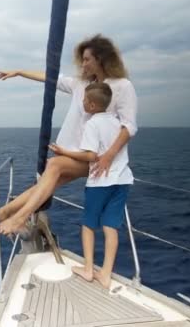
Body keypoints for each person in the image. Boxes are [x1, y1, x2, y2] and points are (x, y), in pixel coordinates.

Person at [0, 34, 138, 235]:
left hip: (98, 159)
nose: (83, 64)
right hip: (75, 154)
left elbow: (129, 126)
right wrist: (19, 72)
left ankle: (19, 218)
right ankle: (2, 213)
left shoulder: (122, 86)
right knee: (48, 181)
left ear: (101, 59)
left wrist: (109, 155)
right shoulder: (81, 84)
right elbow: (50, 77)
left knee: (53, 166)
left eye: (87, 59)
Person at [49, 83, 133, 289]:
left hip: (100, 183)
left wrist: (63, 152)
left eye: (85, 100)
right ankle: (105, 273)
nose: (83, 102)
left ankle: (88, 269)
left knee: (88, 225)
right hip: (122, 181)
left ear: (93, 105)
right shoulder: (118, 123)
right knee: (110, 226)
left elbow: (90, 155)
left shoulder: (92, 124)